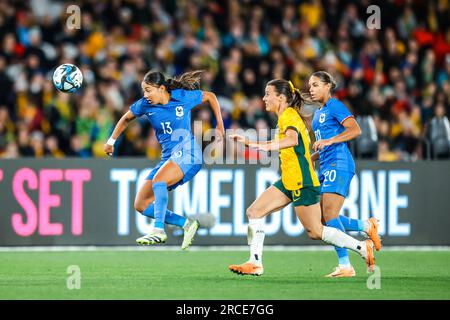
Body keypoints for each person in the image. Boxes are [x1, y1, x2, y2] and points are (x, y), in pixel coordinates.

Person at [227, 79, 375, 276]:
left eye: (267, 94)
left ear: (280, 98)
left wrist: (258, 145)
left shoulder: (288, 115)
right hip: (289, 179)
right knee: (254, 211)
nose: (264, 98)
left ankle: (362, 248)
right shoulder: (285, 116)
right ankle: (255, 262)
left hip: (301, 180)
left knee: (315, 231)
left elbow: (292, 139)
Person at [104, 70, 225, 249]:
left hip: (189, 153)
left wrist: (220, 124)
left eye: (148, 90)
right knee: (141, 204)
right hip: (169, 157)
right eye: (143, 91)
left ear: (161, 88)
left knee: (158, 180)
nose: (145, 95)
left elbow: (211, 97)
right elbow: (126, 118)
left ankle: (159, 230)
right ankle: (187, 224)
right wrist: (111, 141)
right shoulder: (145, 104)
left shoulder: (182, 97)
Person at [309, 71, 382, 277]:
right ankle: (365, 226)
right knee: (324, 219)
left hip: (339, 163)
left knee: (329, 214)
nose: (311, 89)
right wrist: (310, 159)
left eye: (315, 85)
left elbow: (355, 130)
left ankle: (345, 265)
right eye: (310, 85)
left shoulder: (335, 106)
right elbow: (323, 144)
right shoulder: (318, 113)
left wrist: (330, 141)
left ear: (327, 86)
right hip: (326, 164)